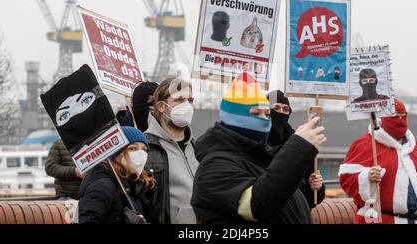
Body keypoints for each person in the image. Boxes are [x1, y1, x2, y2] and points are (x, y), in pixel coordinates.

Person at [191, 73, 327, 223]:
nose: (264, 119)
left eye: (267, 114)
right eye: (256, 113)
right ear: (233, 116)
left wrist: (315, 187)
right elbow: (256, 205)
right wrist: (298, 147)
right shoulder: (214, 166)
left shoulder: (261, 156)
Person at [339, 99, 417, 224]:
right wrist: (367, 177)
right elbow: (346, 181)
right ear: (384, 117)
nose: (400, 119)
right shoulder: (365, 145)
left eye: (403, 115)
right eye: (395, 116)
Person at [145, 77, 198, 224]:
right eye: (180, 100)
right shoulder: (145, 147)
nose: (187, 105)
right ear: (161, 106)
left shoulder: (198, 146)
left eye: (190, 100)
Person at [78, 126, 156, 224]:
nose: (140, 153)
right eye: (132, 148)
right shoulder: (102, 185)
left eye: (144, 149)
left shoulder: (137, 182)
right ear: (117, 153)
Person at [266, 90, 325, 208]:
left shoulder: (300, 142)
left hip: (295, 212)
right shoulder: (256, 140)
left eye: (285, 109)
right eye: (276, 108)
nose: (281, 112)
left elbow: (313, 200)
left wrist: (316, 187)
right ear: (266, 111)